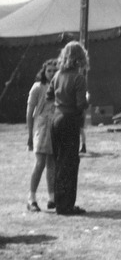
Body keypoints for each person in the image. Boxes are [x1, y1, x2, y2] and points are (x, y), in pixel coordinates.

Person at [47, 41, 90, 216]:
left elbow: (49, 95)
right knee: (70, 162)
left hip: (56, 118)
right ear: (80, 58)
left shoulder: (57, 75)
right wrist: (86, 99)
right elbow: (81, 104)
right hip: (69, 120)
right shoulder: (78, 77)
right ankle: (67, 205)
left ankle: (59, 202)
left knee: (59, 162)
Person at [25, 58, 58, 212]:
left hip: (55, 127)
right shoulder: (37, 87)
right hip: (42, 127)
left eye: (54, 70)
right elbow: (30, 112)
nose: (52, 73)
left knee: (52, 164)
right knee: (40, 164)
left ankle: (52, 198)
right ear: (44, 72)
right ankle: (31, 198)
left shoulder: (58, 86)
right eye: (49, 70)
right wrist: (30, 135)